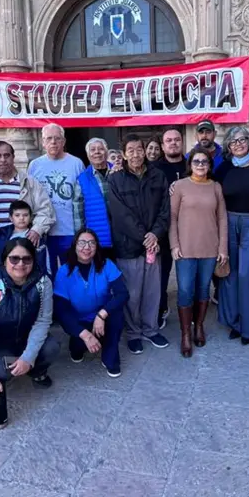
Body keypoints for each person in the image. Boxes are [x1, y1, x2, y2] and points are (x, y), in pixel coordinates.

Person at [0, 238, 58, 413]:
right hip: (1, 342)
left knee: (52, 347)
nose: (20, 264)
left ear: (33, 260)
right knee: (2, 372)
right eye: (14, 258)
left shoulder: (43, 283)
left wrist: (28, 356)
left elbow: (43, 321)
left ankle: (35, 371)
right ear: (4, 260)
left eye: (27, 259)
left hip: (26, 338)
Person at [107, 133, 171, 354]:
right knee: (132, 293)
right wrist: (145, 236)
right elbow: (120, 214)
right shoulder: (115, 179)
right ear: (124, 154)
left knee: (153, 291)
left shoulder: (158, 176)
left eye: (139, 149)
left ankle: (151, 329)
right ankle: (133, 333)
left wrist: (156, 234)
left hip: (154, 244)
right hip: (129, 245)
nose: (136, 154)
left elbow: (166, 208)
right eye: (131, 150)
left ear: (145, 152)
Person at [170, 148, 227, 357]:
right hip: (184, 249)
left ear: (210, 165)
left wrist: (222, 248)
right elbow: (172, 217)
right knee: (185, 290)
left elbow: (222, 218)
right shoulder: (179, 186)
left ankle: (199, 326)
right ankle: (185, 333)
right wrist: (174, 245)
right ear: (190, 164)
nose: (201, 164)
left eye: (204, 161)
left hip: (210, 248)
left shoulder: (215, 187)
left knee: (203, 289)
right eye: (196, 161)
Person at [214, 127, 249, 344]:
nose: (238, 144)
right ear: (228, 146)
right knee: (230, 273)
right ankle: (233, 322)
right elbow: (204, 186)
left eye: (241, 139)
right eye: (232, 142)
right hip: (228, 222)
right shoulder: (223, 169)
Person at [54, 229, 128, 377]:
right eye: (82, 243)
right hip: (78, 320)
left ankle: (110, 357)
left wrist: (101, 315)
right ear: (74, 246)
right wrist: (85, 335)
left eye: (91, 243)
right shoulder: (64, 271)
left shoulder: (106, 264)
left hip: (101, 316)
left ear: (97, 246)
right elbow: (61, 310)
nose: (87, 247)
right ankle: (78, 343)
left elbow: (122, 294)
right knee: (78, 347)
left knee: (117, 315)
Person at [0, 140, 53, 270]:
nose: (3, 160)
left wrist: (37, 229)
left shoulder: (30, 183)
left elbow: (45, 210)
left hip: (25, 245)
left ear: (13, 157)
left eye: (7, 155)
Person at [28, 123, 85, 273]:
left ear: (64, 141)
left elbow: (83, 196)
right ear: (43, 142)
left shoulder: (76, 163)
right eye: (49, 138)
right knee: (47, 274)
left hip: (70, 230)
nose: (53, 142)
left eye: (57, 138)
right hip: (45, 232)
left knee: (72, 273)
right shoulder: (35, 165)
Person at [152, 128, 187, 329]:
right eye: (168, 140)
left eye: (176, 139)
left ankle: (188, 309)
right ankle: (161, 308)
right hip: (163, 229)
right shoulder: (154, 169)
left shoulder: (193, 165)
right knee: (161, 273)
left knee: (188, 274)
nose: (173, 143)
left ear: (182, 142)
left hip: (190, 228)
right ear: (163, 145)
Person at [75, 137, 115, 258]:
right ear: (88, 155)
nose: (97, 152)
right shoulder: (82, 179)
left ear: (106, 152)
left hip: (121, 233)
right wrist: (80, 236)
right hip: (97, 235)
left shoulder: (119, 171)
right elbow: (78, 210)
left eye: (100, 149)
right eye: (93, 150)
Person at [0, 200, 50, 277]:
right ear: (11, 218)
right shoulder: (3, 236)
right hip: (8, 278)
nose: (21, 218)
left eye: (25, 215)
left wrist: (45, 277)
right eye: (17, 215)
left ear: (31, 217)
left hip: (32, 278)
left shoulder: (36, 236)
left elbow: (44, 261)